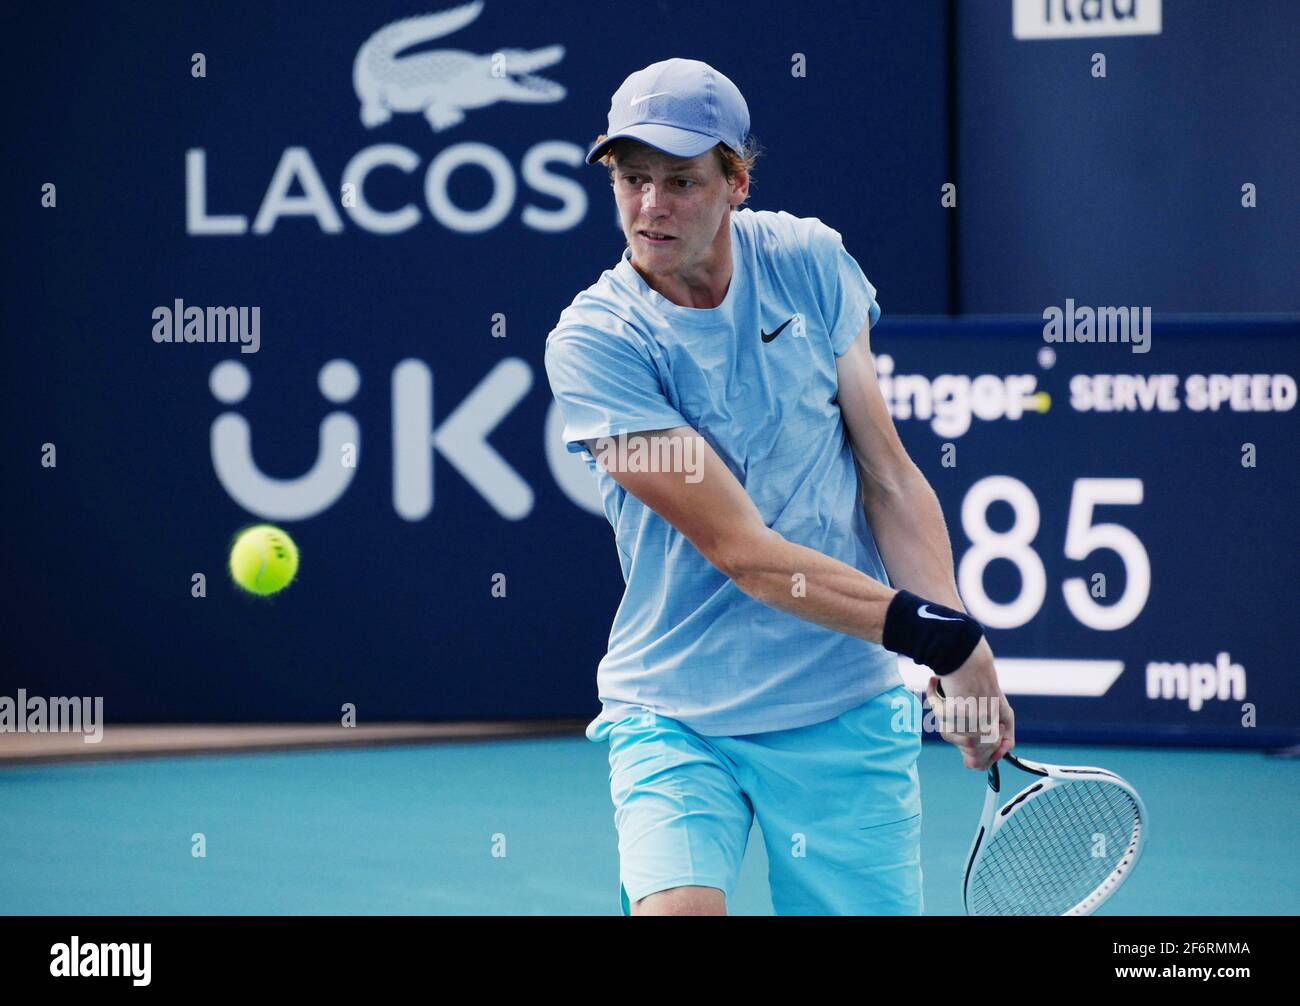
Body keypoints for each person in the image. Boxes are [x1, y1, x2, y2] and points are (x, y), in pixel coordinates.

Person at [544, 58, 1014, 916]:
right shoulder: (596, 342)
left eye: (681, 181)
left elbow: (889, 476)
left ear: (736, 182)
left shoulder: (809, 261)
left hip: (843, 708)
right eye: (632, 178)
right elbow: (746, 554)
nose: (651, 206)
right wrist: (940, 641)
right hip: (675, 710)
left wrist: (951, 626)